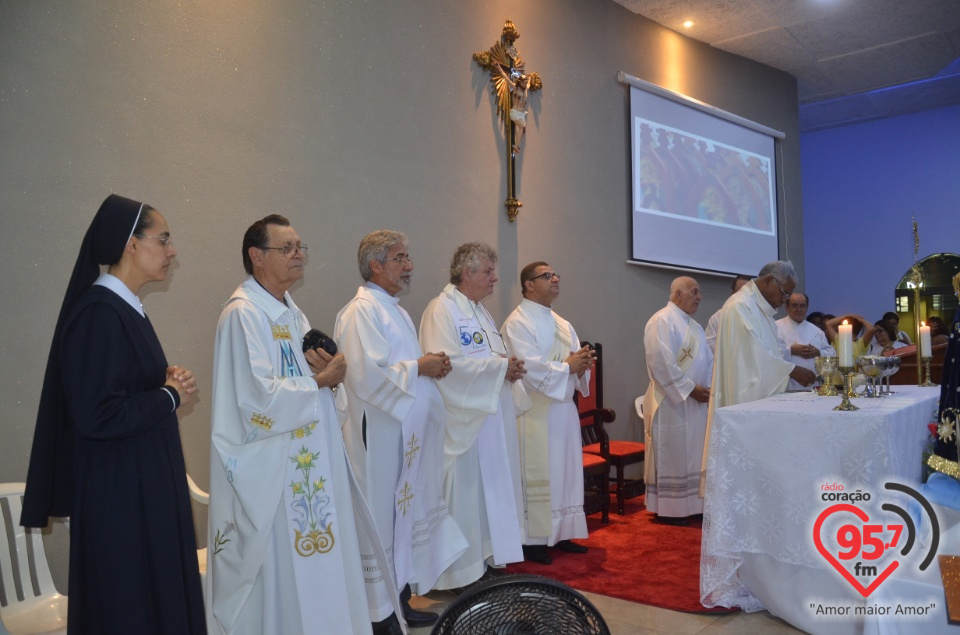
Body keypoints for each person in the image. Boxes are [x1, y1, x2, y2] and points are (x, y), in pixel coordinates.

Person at [20, 194, 205, 634]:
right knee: (129, 607)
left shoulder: (125, 309)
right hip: (120, 496)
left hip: (141, 486)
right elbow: (96, 414)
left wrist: (163, 381)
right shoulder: (99, 313)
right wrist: (167, 396)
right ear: (131, 245)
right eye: (163, 239)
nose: (172, 250)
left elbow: (121, 385)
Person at [206, 215, 400, 635]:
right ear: (257, 257)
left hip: (311, 466)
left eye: (301, 247)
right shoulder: (243, 316)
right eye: (287, 248)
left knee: (320, 565)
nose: (298, 255)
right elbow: (253, 403)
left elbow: (315, 384)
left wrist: (333, 374)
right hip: (274, 475)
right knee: (285, 575)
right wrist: (319, 383)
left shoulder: (293, 314)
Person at [334, 230, 468, 627]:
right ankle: (379, 614)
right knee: (380, 520)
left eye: (408, 257)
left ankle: (401, 598)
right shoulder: (360, 312)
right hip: (378, 438)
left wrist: (427, 366)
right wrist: (419, 368)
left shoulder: (395, 309)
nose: (409, 266)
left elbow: (400, 367)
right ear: (376, 265)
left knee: (401, 518)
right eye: (400, 258)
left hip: (402, 439)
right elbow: (363, 376)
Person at [419, 242, 528, 589]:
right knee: (465, 494)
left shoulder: (480, 311)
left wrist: (507, 368)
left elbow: (489, 356)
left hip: (490, 418)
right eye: (488, 272)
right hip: (464, 420)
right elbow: (446, 364)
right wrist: (500, 369)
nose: (495, 278)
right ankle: (457, 573)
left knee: (490, 492)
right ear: (467, 273)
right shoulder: (442, 310)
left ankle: (485, 559)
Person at [501, 262, 594, 564]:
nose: (555, 279)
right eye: (546, 276)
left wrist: (582, 365)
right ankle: (533, 540)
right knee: (539, 477)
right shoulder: (517, 323)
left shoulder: (563, 324)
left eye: (556, 274)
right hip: (534, 412)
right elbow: (528, 367)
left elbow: (575, 362)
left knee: (565, 474)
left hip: (563, 411)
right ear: (528, 285)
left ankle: (562, 532)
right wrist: (569, 366)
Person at [701, 261, 816, 491]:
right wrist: (792, 370)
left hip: (759, 404)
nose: (785, 300)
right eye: (784, 293)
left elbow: (772, 351)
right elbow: (751, 355)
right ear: (768, 281)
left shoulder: (760, 310)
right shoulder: (740, 306)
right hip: (742, 403)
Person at [642, 277, 713, 525]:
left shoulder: (695, 327)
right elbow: (660, 362)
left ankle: (694, 505)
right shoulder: (661, 320)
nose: (699, 297)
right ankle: (671, 509)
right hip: (671, 402)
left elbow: (708, 360)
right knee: (673, 453)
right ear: (677, 294)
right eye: (695, 292)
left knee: (694, 453)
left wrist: (708, 388)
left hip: (696, 402)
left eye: (699, 292)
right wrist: (690, 389)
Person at [776, 292, 836, 391]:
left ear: (807, 307)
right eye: (795, 306)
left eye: (802, 306)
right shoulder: (775, 327)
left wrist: (818, 352)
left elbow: (832, 353)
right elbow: (768, 354)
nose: (799, 309)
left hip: (812, 387)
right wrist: (791, 350)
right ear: (787, 307)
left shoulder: (817, 331)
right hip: (784, 387)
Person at [705, 274, 752, 353]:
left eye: (748, 292)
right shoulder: (718, 317)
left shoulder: (760, 317)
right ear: (732, 293)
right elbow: (709, 344)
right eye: (741, 292)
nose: (745, 296)